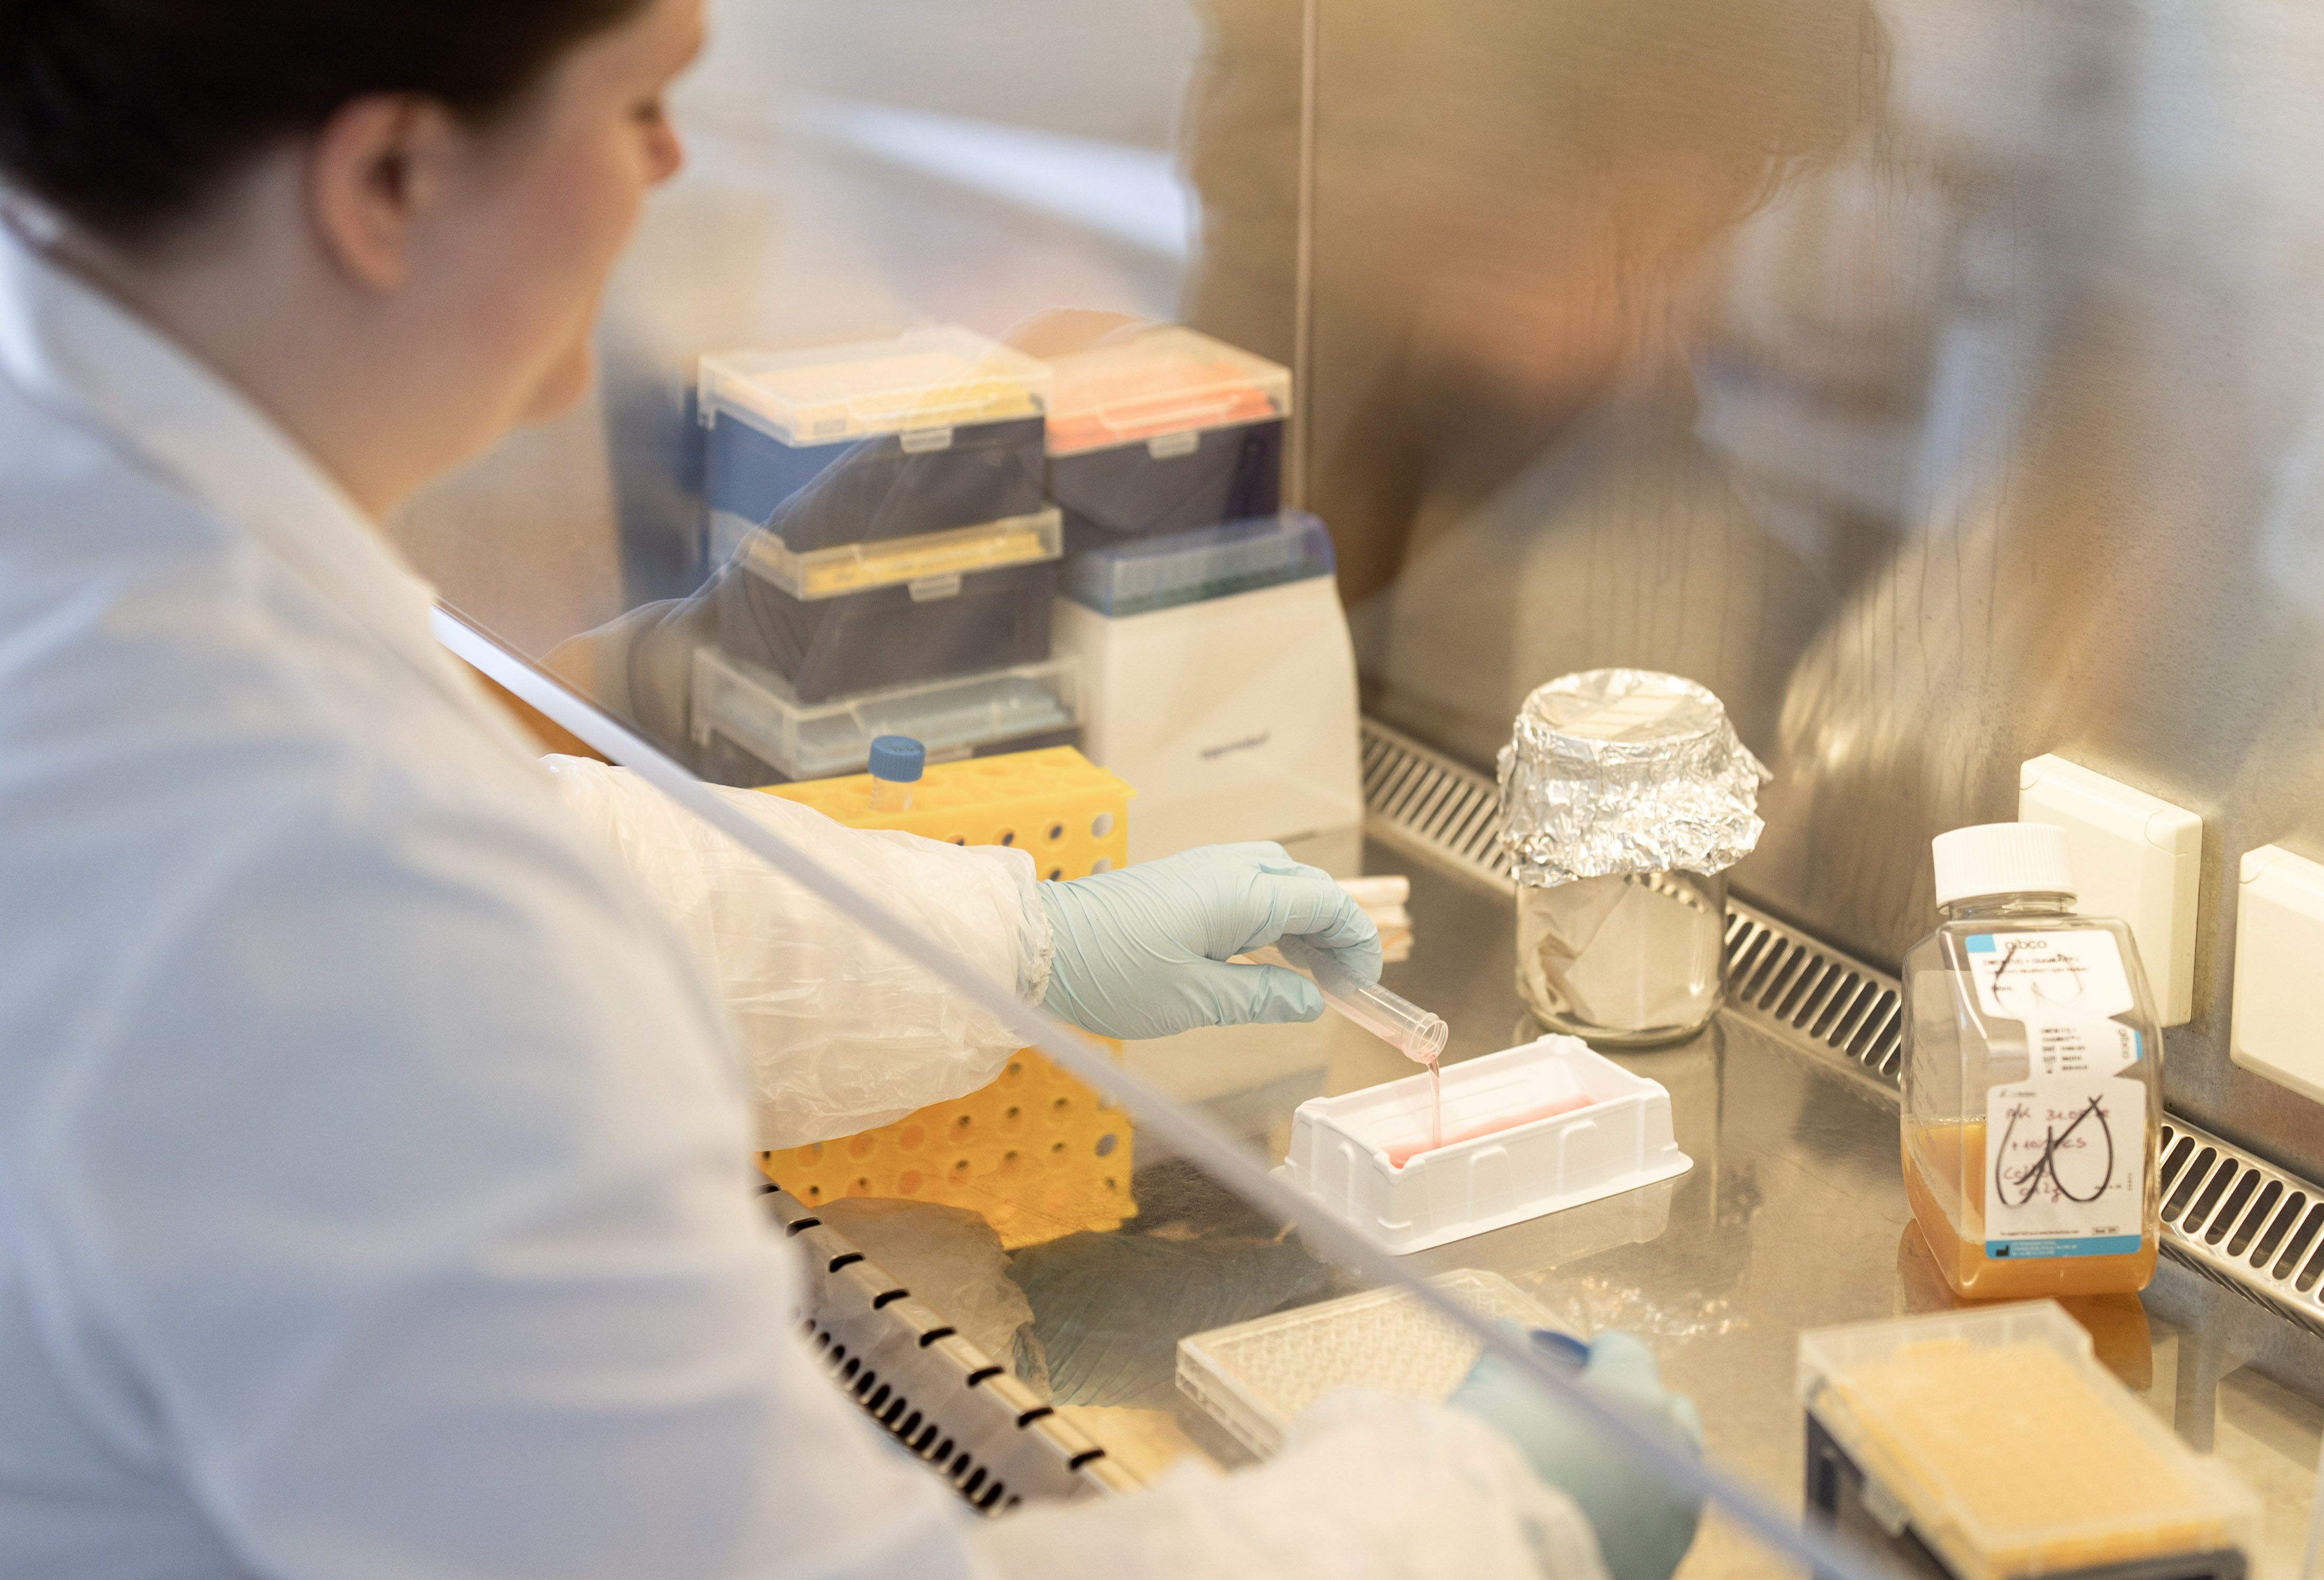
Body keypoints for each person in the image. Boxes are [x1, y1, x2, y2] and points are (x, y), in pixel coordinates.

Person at [0, 4, 1702, 1579]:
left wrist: (1016, 935)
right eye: (644, 101)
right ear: (386, 178)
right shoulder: (279, 838)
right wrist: (1484, 1516)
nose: (675, 167)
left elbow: (533, 883)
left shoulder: (110, 531)